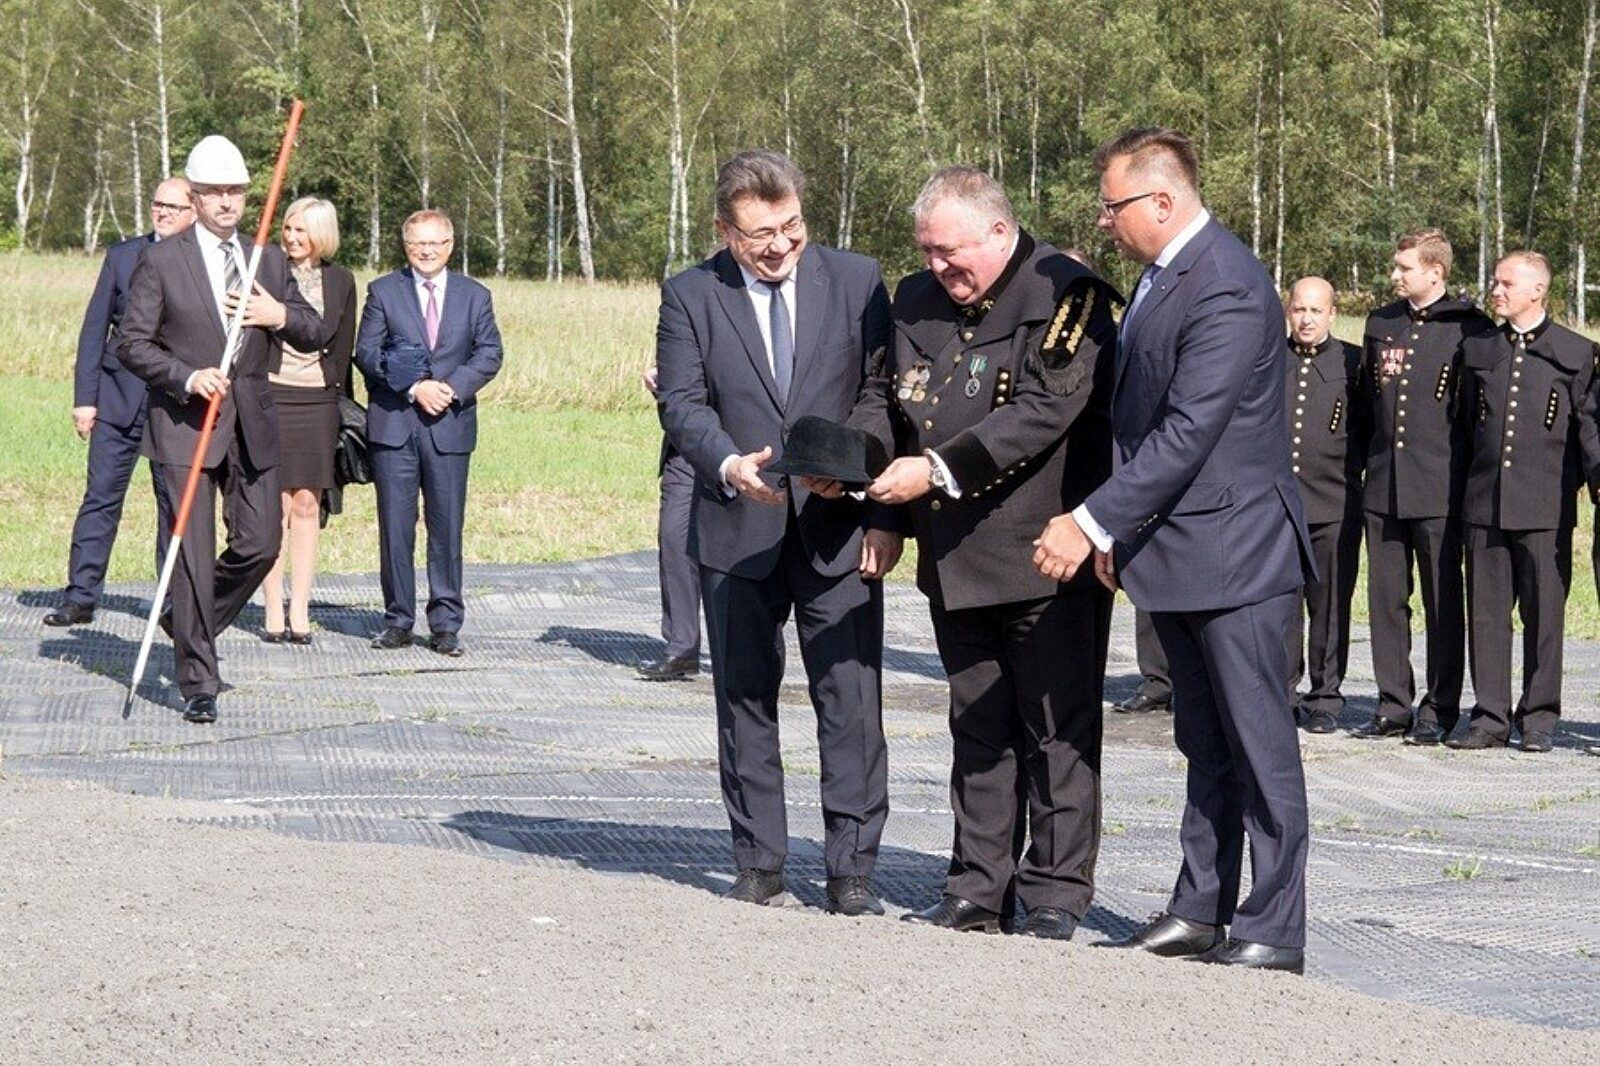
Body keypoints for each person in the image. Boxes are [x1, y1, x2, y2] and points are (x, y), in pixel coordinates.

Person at [1033, 126, 1313, 973]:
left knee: (1260, 747)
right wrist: (1127, 532)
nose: (1104, 220)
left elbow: (1190, 431)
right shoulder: (1163, 276)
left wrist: (1092, 522)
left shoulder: (1225, 281)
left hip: (1239, 551)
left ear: (1161, 200)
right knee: (1205, 744)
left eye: (1111, 205)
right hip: (1183, 548)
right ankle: (1201, 908)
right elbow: (1138, 422)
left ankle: (1275, 926)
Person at [822, 165, 1116, 939]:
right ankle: (978, 887)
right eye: (927, 252)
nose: (938, 268)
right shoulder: (916, 297)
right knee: (978, 728)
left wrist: (936, 471)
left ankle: (1054, 893)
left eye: (950, 252)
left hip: (1045, 552)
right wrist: (872, 493)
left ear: (999, 230)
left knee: (1054, 730)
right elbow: (885, 401)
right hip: (953, 551)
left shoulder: (1066, 294)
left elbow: (1044, 411)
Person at [656, 150, 894, 916]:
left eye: (791, 225)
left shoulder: (857, 281)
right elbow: (683, 403)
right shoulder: (690, 295)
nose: (780, 244)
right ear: (725, 231)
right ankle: (759, 864)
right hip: (737, 528)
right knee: (744, 698)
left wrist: (848, 466)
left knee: (850, 701)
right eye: (760, 234)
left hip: (836, 528)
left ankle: (851, 872)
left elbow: (879, 394)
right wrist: (729, 464)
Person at [118, 135, 331, 724]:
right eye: (214, 191)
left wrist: (278, 314)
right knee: (191, 556)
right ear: (193, 196)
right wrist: (187, 376)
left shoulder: (267, 259)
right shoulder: (163, 260)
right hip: (185, 426)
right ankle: (198, 682)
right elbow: (131, 343)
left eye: (236, 190)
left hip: (253, 424)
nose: (227, 201)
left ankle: (188, 620)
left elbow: (314, 330)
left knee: (261, 544)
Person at [1452, 252, 1599, 752]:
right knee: (1486, 616)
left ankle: (1538, 717)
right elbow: (1466, 425)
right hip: (1485, 503)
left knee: (1544, 618)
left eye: (1506, 283)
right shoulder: (1479, 348)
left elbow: (1586, 432)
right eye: (1495, 282)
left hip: (1544, 506)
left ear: (1537, 290)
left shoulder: (1575, 353)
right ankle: (1490, 717)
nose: (1496, 290)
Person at [1351, 229, 1492, 745]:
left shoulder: (1469, 328)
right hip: (1384, 483)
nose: (1395, 275)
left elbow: (1474, 412)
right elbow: (1369, 401)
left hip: (1439, 486)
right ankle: (1392, 704)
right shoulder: (1382, 323)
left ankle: (1440, 706)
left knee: (1441, 602)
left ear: (1435, 272)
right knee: (1386, 601)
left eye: (1404, 267)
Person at [355, 210, 503, 658]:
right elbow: (367, 353)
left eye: (435, 243)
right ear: (406, 246)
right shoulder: (383, 292)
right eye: (418, 243)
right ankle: (397, 620)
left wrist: (450, 389)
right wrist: (415, 387)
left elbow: (490, 352)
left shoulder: (475, 296)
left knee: (447, 528)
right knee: (396, 529)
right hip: (395, 429)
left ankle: (445, 624)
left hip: (450, 428)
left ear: (450, 246)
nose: (426, 251)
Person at [44, 179, 189, 628]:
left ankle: (172, 602)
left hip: (173, 404)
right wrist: (85, 400)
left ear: (192, 212)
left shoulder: (200, 261)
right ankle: (80, 596)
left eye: (173, 206)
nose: (163, 212)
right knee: (101, 498)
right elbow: (94, 331)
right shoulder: (122, 256)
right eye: (158, 203)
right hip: (116, 399)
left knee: (174, 505)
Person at [258, 198, 358, 644]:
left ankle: (300, 605)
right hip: (272, 394)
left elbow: (344, 349)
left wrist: (343, 409)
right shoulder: (267, 271)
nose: (293, 237)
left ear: (322, 234)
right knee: (275, 504)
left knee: (306, 504)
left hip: (319, 401)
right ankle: (271, 605)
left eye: (302, 230)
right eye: (288, 228)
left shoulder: (342, 281)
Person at [1283, 277, 1368, 734]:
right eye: (1299, 309)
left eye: (1316, 311)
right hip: (1279, 506)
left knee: (1330, 604)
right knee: (1280, 605)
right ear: (1288, 311)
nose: (1307, 319)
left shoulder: (1354, 363)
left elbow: (1371, 430)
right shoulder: (1270, 359)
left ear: (1332, 314)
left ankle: (1325, 697)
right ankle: (1282, 693)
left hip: (1334, 501)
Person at [637, 365, 702, 681]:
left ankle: (749, 648)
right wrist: (661, 380)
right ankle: (682, 647)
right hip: (685, 447)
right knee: (675, 539)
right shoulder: (680, 330)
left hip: (743, 444)